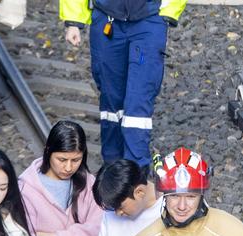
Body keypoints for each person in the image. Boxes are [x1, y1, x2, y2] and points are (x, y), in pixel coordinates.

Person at [59, 0, 187, 166]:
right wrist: (73, 21)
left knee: (139, 99)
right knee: (111, 99)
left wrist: (168, 12)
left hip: (149, 19)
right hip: (107, 19)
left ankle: (136, 171)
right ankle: (113, 167)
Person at [19, 120, 103, 236]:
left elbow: (99, 234)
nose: (68, 168)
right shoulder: (25, 189)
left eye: (76, 160)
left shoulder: (89, 183)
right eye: (62, 160)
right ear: (48, 152)